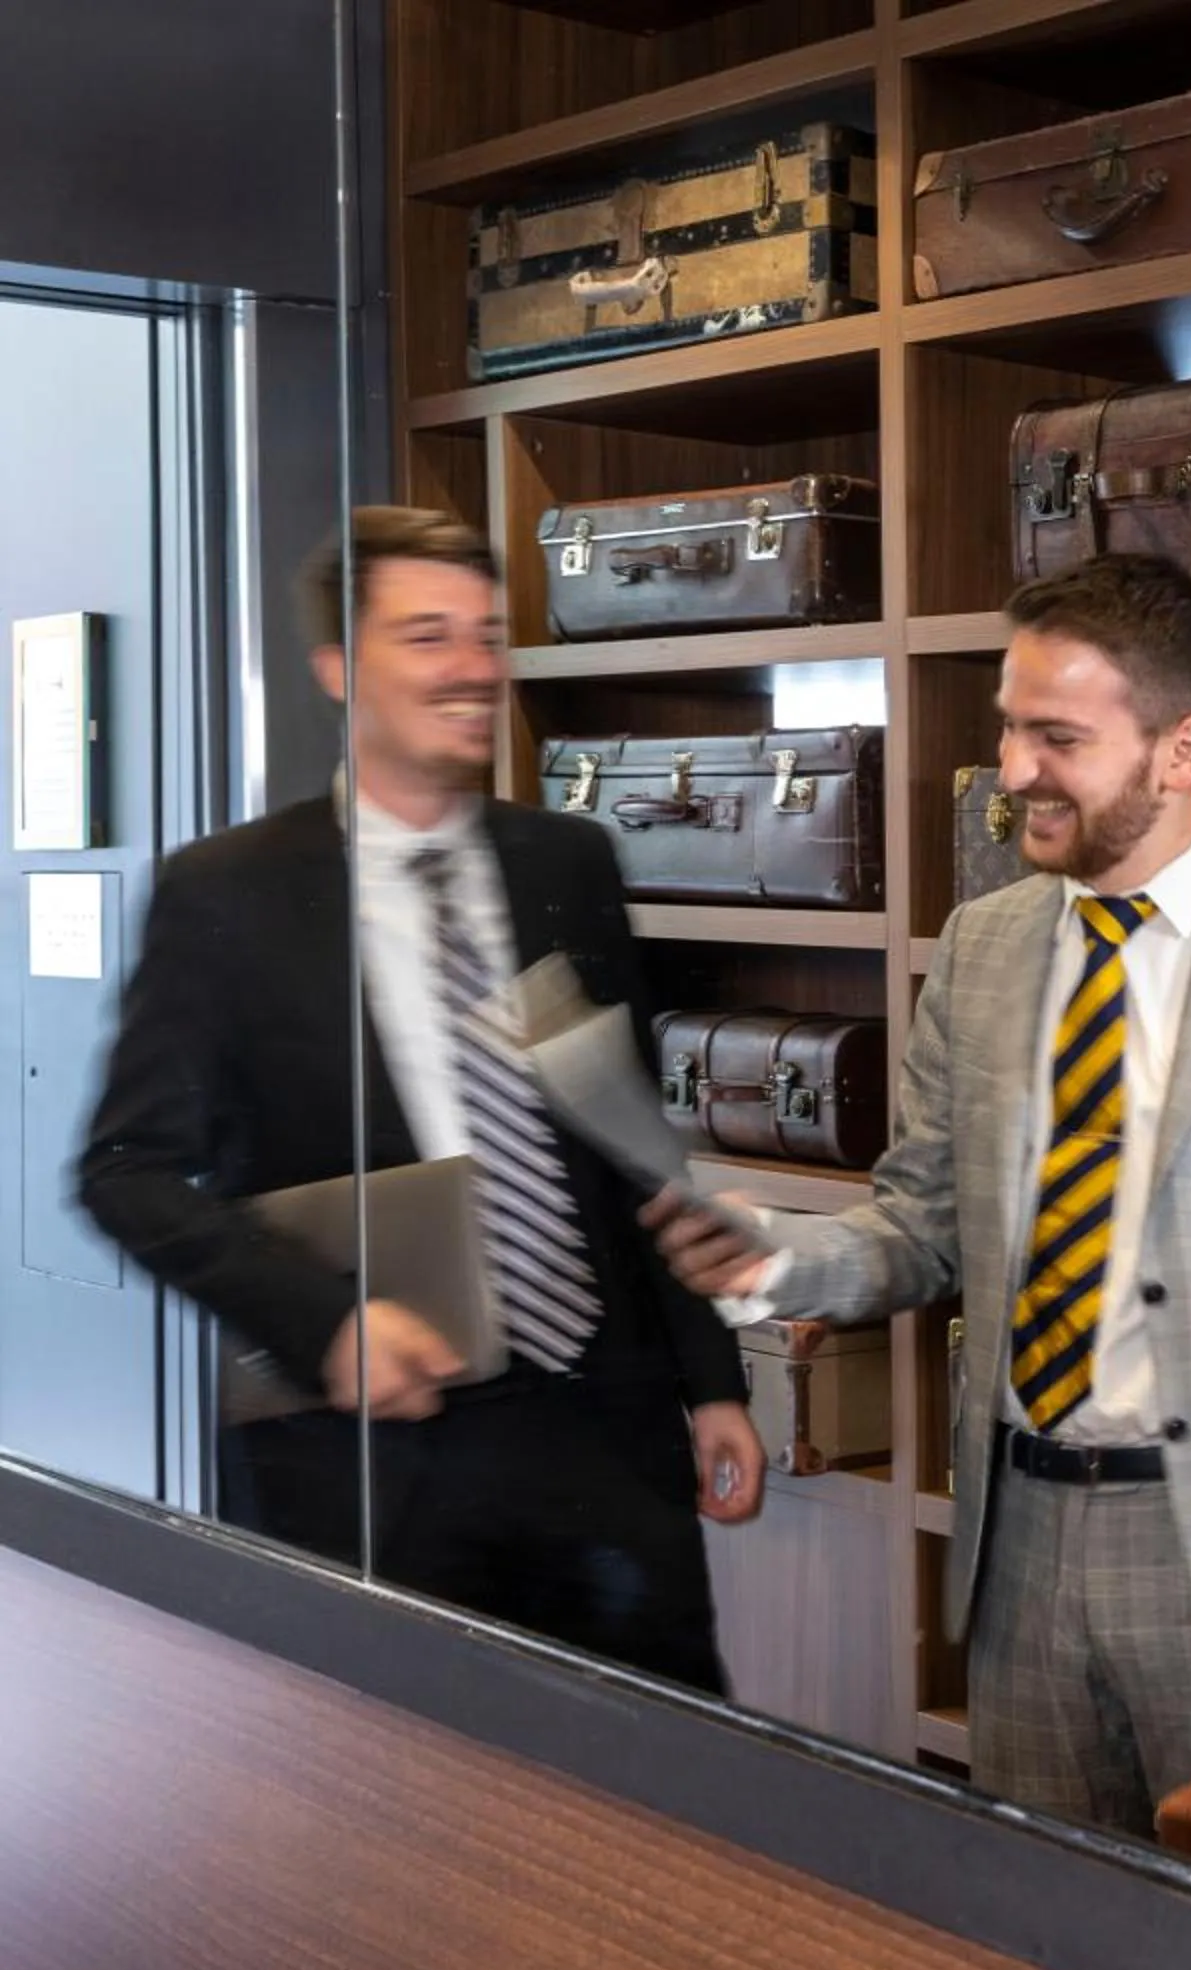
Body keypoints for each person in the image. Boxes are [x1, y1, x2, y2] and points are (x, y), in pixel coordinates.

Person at [648, 551, 1191, 1831]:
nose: (1013, 769)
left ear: (1181, 748)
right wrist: (777, 1256)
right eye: (1008, 724)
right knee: (1046, 1937)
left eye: (1057, 736)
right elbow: (927, 1221)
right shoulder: (984, 945)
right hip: (1020, 1546)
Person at [74, 504, 764, 1695]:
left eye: (488, 636)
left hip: (606, 1434)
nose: (472, 670)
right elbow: (125, 1167)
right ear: (340, 668)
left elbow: (631, 1137)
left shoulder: (569, 862)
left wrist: (710, 1381)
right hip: (368, 1457)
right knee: (393, 1819)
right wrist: (325, 1320)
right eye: (429, 636)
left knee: (657, 1802)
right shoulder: (225, 894)